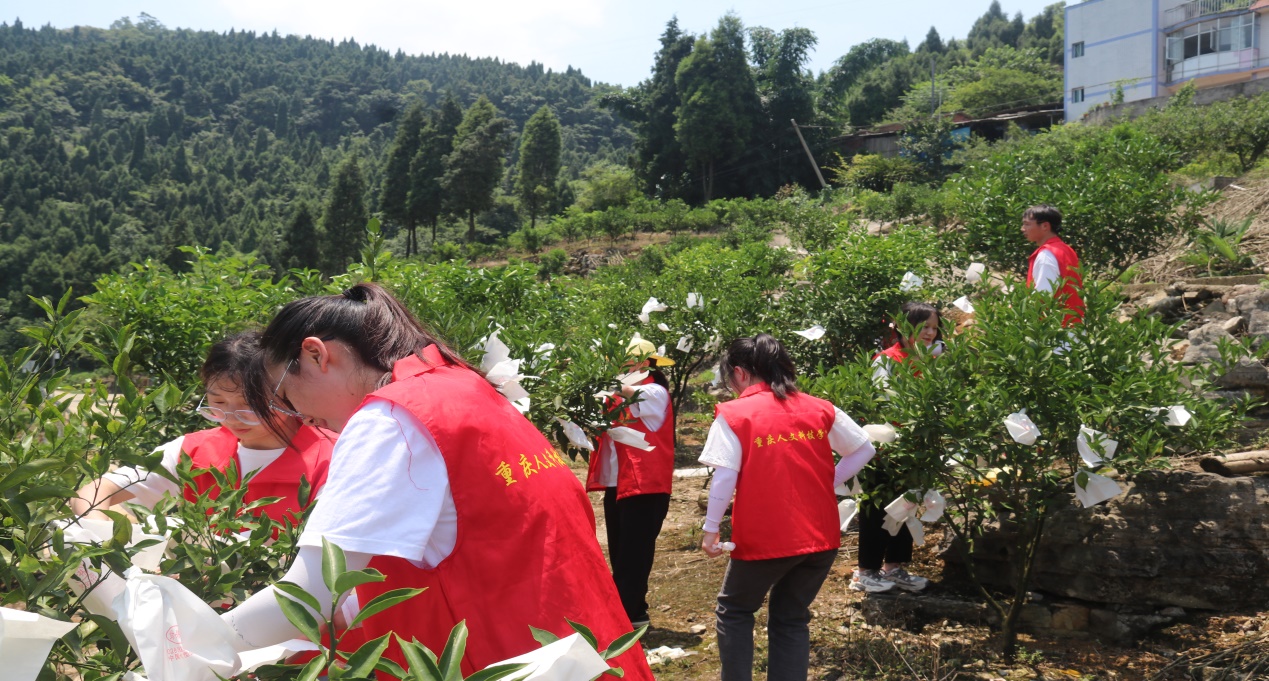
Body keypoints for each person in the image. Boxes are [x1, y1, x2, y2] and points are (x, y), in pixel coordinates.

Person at [225, 283, 654, 679]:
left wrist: (195, 650)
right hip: (582, 649)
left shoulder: (389, 420)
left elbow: (315, 590)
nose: (299, 417)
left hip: (506, 658)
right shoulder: (461, 386)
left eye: (285, 395)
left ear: (316, 355)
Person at [698, 333, 876, 681]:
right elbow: (864, 448)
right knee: (791, 616)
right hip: (822, 536)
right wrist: (830, 482)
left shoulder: (735, 414)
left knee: (734, 609)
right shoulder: (818, 406)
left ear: (740, 372)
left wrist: (711, 528)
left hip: (767, 537)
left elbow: (724, 476)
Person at [70, 330, 334, 533]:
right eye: (217, 403)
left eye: (249, 405)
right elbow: (94, 492)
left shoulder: (331, 458)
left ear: (288, 393)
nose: (231, 418)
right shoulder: (194, 451)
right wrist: (100, 539)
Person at [853, 302, 945, 594]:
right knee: (877, 507)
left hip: (917, 447)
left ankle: (894, 567)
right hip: (887, 448)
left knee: (906, 506)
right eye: (924, 327)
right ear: (905, 328)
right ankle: (866, 570)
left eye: (933, 327)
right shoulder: (888, 359)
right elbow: (884, 403)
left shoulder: (930, 359)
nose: (930, 333)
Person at [586, 337, 675, 629]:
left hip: (645, 486)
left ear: (642, 365)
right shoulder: (621, 394)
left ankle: (622, 620)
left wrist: (598, 376)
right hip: (620, 484)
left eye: (620, 362)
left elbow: (626, 393)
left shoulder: (653, 391)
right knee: (622, 552)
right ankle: (635, 613)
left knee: (633, 555)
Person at [1022, 204, 1084, 325]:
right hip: (1072, 323)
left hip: (1055, 331)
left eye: (1027, 224)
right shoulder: (1066, 249)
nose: (1022, 229)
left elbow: (1043, 296)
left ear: (1045, 226)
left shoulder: (1046, 254)